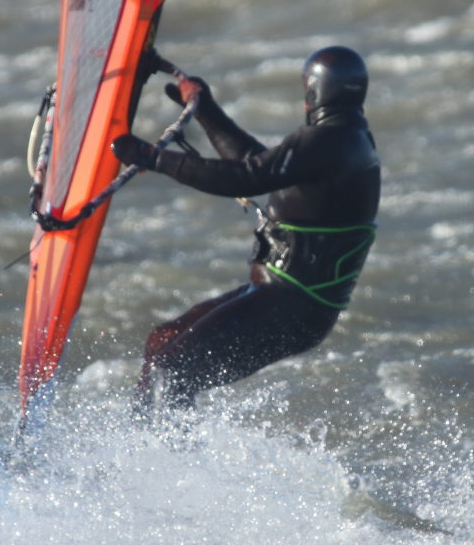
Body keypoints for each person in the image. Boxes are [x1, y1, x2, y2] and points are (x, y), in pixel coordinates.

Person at [110, 45, 379, 409]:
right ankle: (142, 437)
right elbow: (258, 164)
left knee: (172, 371)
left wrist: (153, 158)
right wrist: (206, 111)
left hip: (289, 306)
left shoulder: (328, 141)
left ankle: (164, 447)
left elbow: (247, 177)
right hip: (289, 304)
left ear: (314, 94)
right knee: (164, 341)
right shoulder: (349, 141)